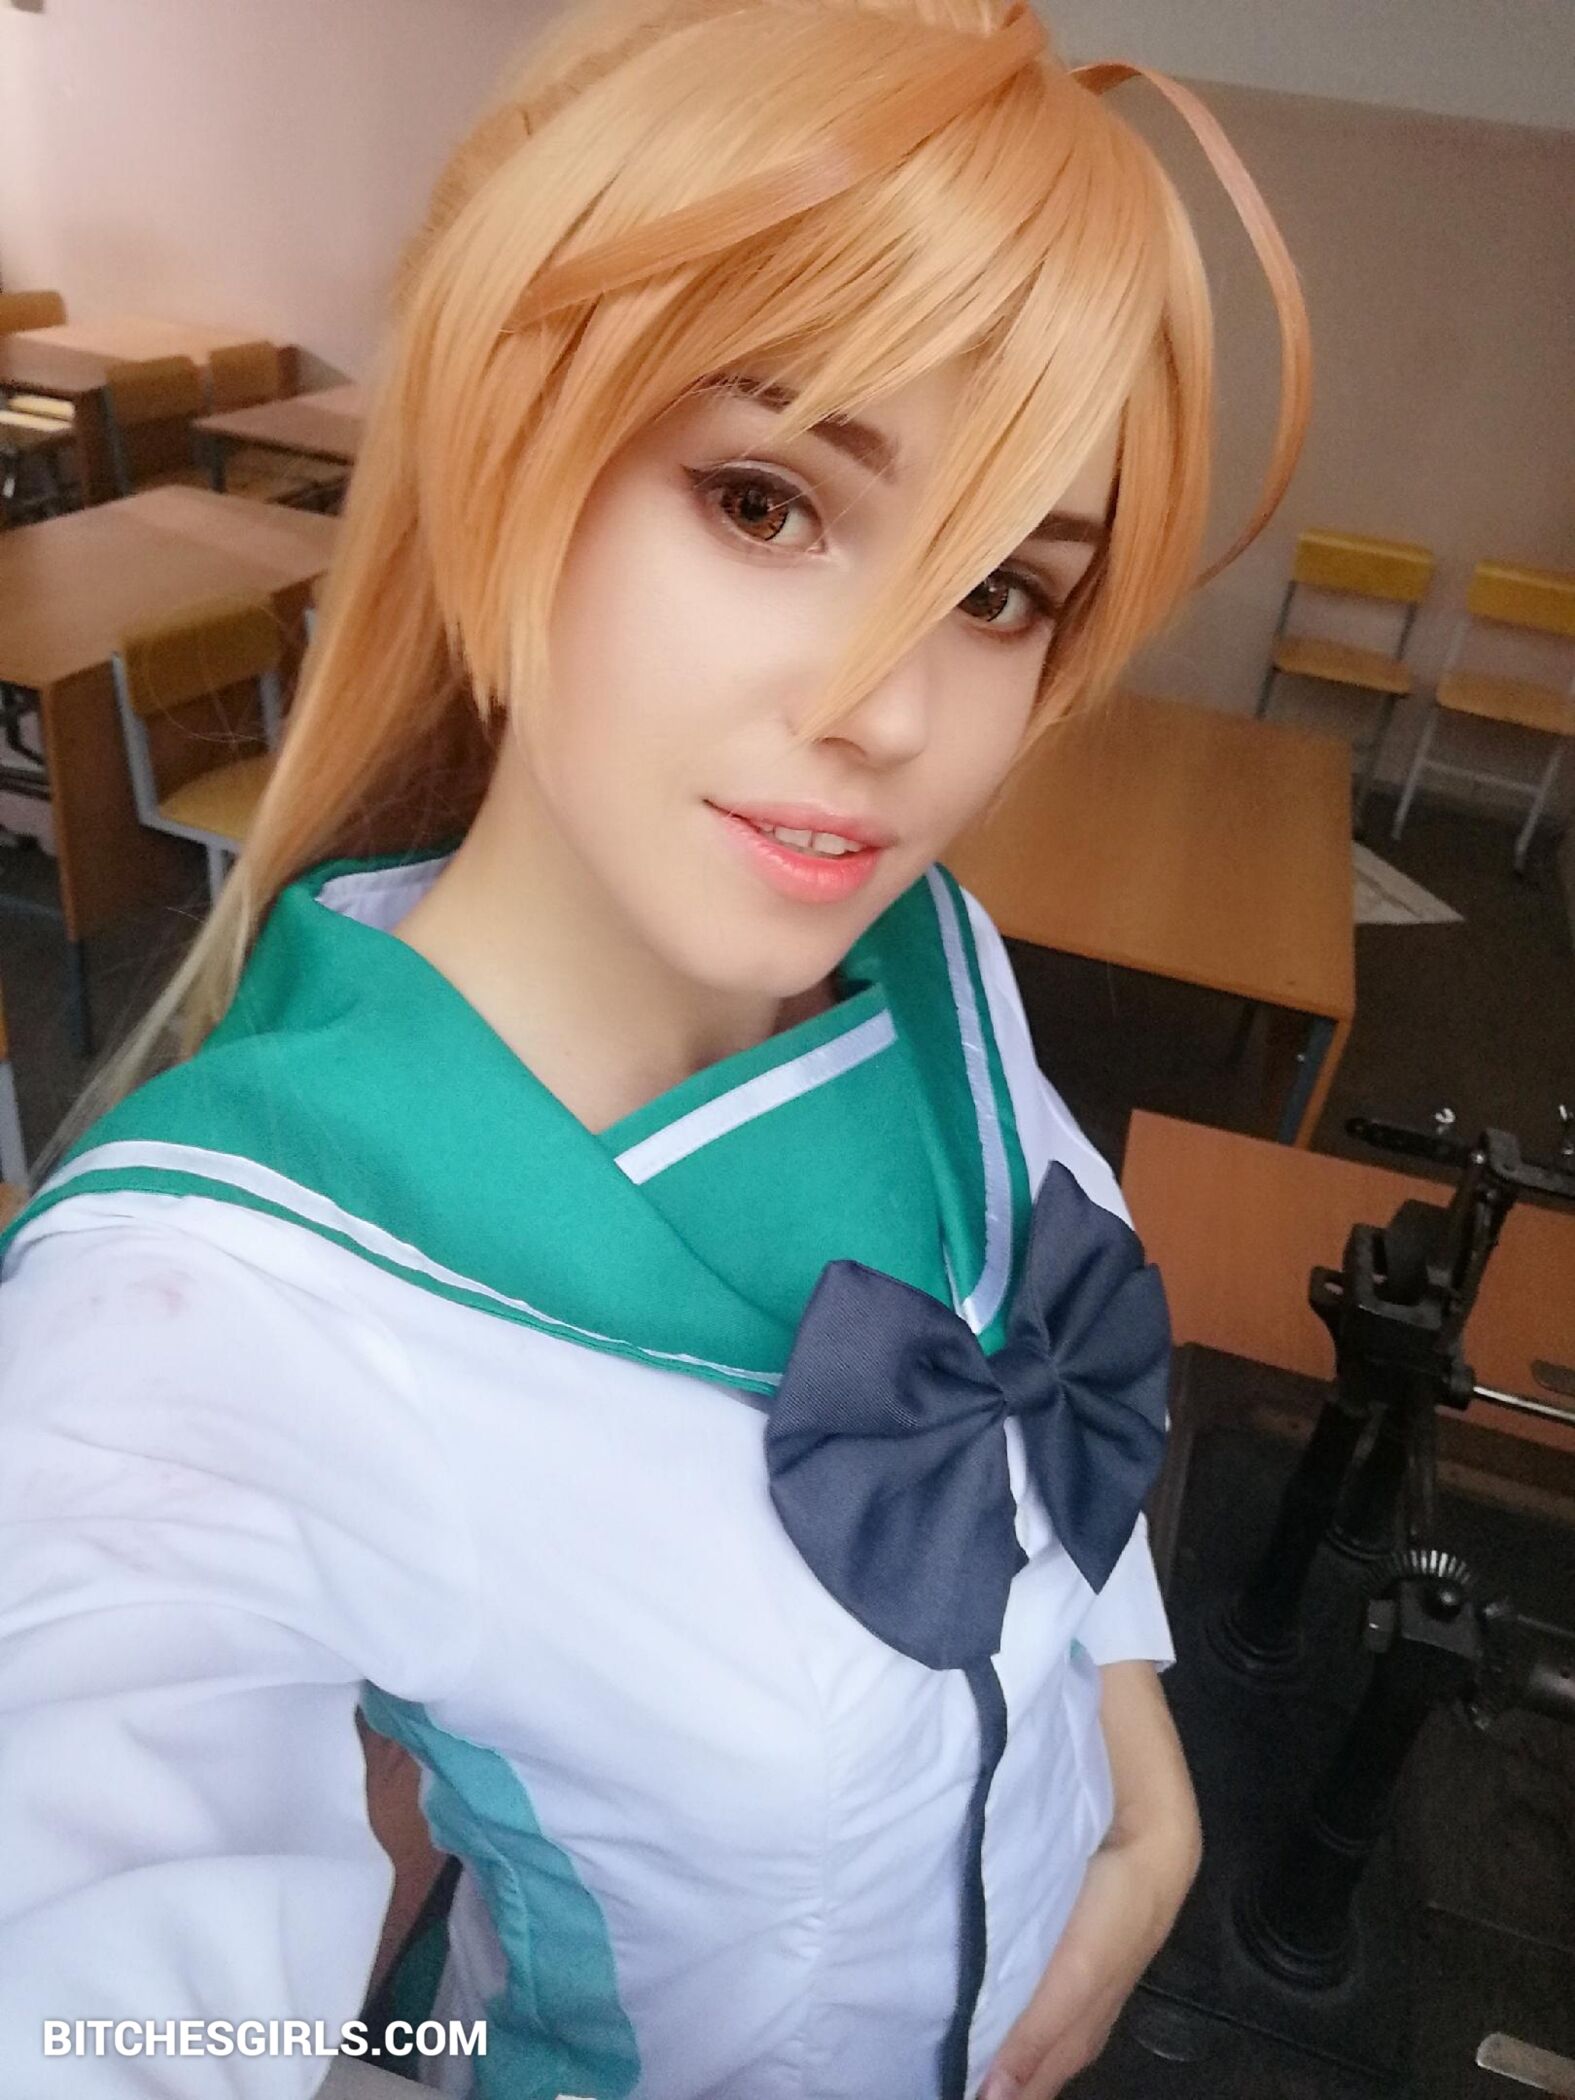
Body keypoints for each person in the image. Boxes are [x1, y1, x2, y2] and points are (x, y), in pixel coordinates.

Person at [0, 0, 1310, 2093]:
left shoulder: (934, 965)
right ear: (507, 458)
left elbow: (1040, 1373)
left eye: (999, 590)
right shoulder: (205, 1310)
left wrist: (1135, 1782)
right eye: (767, 503)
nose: (888, 712)